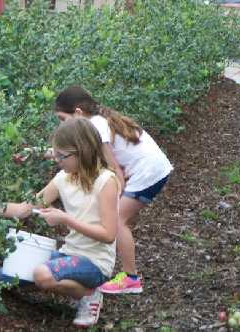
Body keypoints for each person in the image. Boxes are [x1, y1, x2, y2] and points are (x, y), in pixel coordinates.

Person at [0, 118, 120, 327]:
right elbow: (23, 209)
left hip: (96, 262)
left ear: (81, 151)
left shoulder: (106, 181)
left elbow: (108, 235)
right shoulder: (64, 178)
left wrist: (65, 218)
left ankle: (89, 294)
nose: (57, 160)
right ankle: (73, 284)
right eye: (56, 154)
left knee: (42, 275)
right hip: (71, 253)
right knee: (4, 275)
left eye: (62, 156)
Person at [53, 86, 173, 295]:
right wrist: (35, 153)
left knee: (117, 221)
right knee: (118, 220)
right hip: (154, 169)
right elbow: (69, 153)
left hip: (147, 173)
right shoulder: (98, 122)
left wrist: (116, 190)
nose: (62, 125)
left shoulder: (95, 127)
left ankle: (130, 279)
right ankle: (129, 276)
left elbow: (113, 167)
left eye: (63, 119)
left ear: (79, 113)